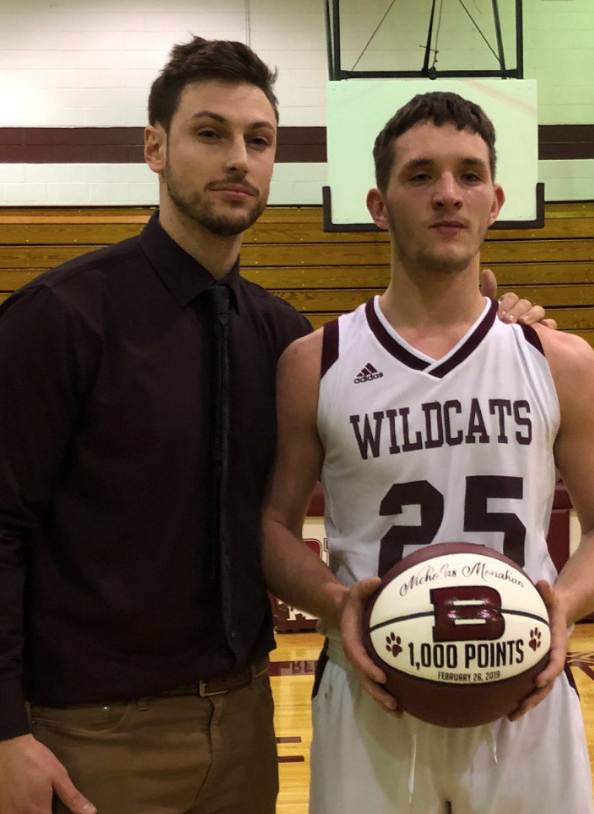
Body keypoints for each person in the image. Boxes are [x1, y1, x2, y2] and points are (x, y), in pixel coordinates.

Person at [0, 36, 550, 814]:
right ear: (154, 147)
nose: (238, 158)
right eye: (209, 132)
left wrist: (506, 329)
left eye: (258, 141)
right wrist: (2, 733)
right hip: (92, 734)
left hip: (245, 719)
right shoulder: (61, 316)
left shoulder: (285, 340)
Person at [262, 91, 594, 814]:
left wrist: (563, 605)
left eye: (469, 175)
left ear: (496, 199)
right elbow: (272, 530)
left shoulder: (560, 360)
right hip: (372, 690)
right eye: (420, 176)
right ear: (379, 204)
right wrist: (335, 601)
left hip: (524, 695)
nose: (448, 194)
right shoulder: (314, 362)